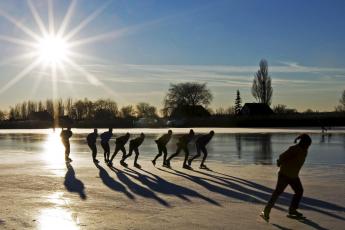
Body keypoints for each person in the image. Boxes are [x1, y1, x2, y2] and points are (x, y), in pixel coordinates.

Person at [260, 134, 312, 222]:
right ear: (303, 143)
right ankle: (266, 211)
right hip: (284, 175)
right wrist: (279, 162)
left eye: (309, 145)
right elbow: (282, 156)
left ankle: (292, 210)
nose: (308, 146)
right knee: (277, 193)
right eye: (307, 144)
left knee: (299, 191)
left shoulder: (304, 151)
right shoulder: (294, 149)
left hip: (294, 176)